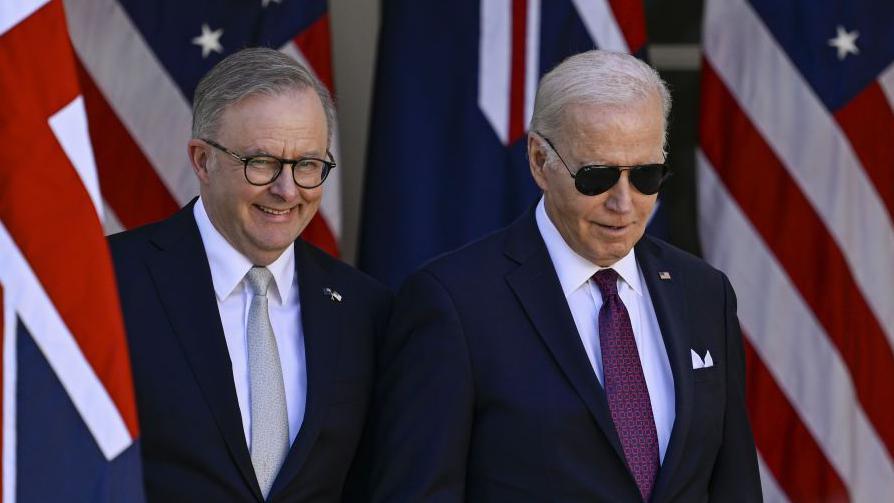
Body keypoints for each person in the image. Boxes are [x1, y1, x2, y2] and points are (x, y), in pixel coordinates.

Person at [370, 50, 761, 502]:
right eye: (597, 178)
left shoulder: (704, 294)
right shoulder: (454, 302)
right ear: (540, 160)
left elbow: (734, 485)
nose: (624, 203)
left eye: (646, 176)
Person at [109, 47, 391, 502]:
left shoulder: (366, 310)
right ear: (202, 160)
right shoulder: (112, 283)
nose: (286, 190)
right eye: (261, 162)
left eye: (308, 165)